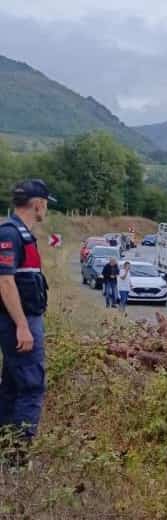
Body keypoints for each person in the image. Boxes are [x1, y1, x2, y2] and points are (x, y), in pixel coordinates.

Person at [0, 179, 54, 467]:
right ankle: (17, 460)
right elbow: (5, 282)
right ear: (37, 203)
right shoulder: (10, 233)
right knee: (31, 387)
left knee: (11, 386)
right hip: (18, 324)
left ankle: (6, 450)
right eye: (45, 203)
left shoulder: (22, 234)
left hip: (24, 321)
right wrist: (21, 325)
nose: (45, 208)